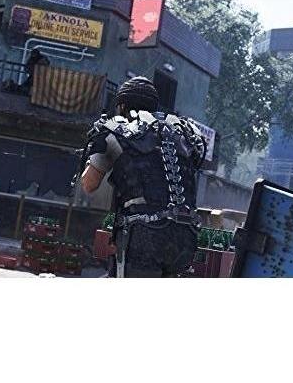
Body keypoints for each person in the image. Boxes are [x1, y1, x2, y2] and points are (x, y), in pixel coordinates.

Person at [79, 76, 206, 277]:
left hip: (143, 235)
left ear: (122, 106)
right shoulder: (183, 135)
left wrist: (92, 156)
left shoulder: (115, 132)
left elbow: (89, 184)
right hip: (186, 237)